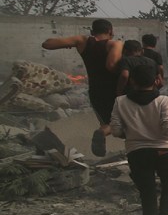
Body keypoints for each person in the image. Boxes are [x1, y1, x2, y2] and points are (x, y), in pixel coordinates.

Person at [109, 63, 168, 215]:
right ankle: (165, 214)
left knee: (147, 193)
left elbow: (115, 130)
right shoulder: (164, 100)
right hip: (161, 150)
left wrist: (129, 133)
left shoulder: (120, 102)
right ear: (156, 80)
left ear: (132, 81)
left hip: (136, 153)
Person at [41, 19, 124, 156]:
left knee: (108, 121)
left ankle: (102, 131)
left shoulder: (82, 41)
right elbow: (112, 64)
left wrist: (70, 43)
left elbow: (47, 44)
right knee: (121, 123)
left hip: (95, 91)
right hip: (113, 90)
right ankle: (103, 133)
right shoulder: (115, 44)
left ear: (92, 31)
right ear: (111, 31)